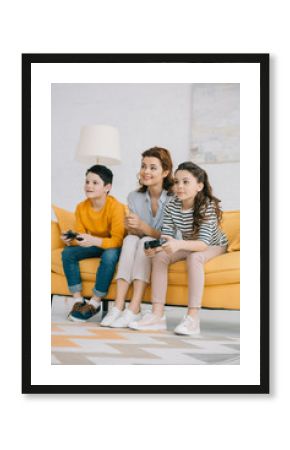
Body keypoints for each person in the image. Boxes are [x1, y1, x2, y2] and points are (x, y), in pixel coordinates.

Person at [129, 161, 228, 335]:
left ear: (199, 186)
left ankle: (193, 318)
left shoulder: (207, 206)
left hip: (214, 244)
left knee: (195, 257)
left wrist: (177, 244)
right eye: (176, 182)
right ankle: (157, 315)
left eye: (186, 182)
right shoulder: (172, 204)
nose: (179, 186)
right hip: (190, 243)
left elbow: (203, 244)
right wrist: (157, 248)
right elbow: (167, 235)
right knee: (160, 256)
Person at [100, 146, 174, 328]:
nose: (146, 171)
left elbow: (169, 237)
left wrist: (143, 227)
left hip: (164, 245)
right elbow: (136, 232)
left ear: (165, 172)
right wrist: (131, 228)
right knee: (131, 239)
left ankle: (134, 308)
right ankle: (118, 306)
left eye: (152, 167)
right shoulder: (134, 197)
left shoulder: (175, 198)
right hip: (140, 240)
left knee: (146, 242)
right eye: (143, 166)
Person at [61, 164, 125, 322]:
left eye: (95, 183)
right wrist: (71, 240)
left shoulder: (116, 207)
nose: (89, 186)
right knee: (68, 253)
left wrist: (94, 240)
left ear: (107, 187)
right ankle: (78, 300)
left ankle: (95, 302)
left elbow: (117, 240)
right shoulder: (81, 207)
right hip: (95, 244)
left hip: (113, 246)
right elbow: (82, 236)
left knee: (109, 256)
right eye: (87, 182)